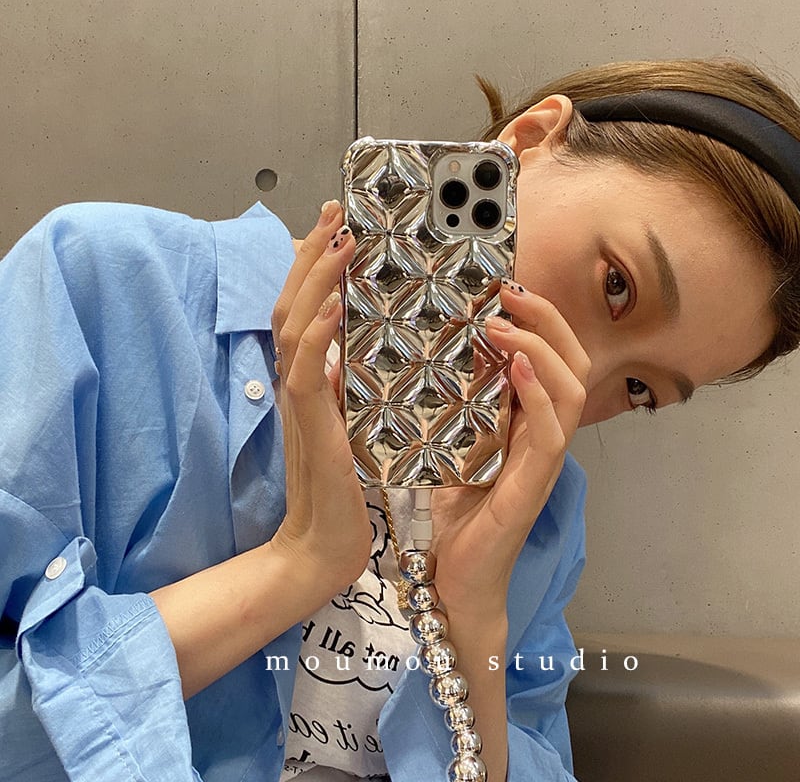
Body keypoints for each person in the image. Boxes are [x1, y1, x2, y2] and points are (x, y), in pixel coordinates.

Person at [1, 57, 799, 782]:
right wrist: (297, 565)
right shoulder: (104, 287)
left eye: (640, 389)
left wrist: (472, 618)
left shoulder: (545, 519)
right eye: (616, 284)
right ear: (527, 144)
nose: (575, 375)